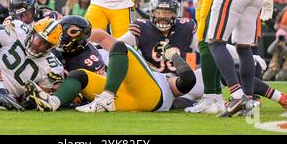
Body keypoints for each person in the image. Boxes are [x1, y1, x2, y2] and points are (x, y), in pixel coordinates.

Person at [25, 34, 195, 113]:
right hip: (122, 99)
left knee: (121, 47)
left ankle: (105, 98)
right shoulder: (155, 76)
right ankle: (53, 103)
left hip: (148, 96)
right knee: (79, 75)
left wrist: (172, 54)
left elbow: (188, 79)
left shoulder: (163, 81)